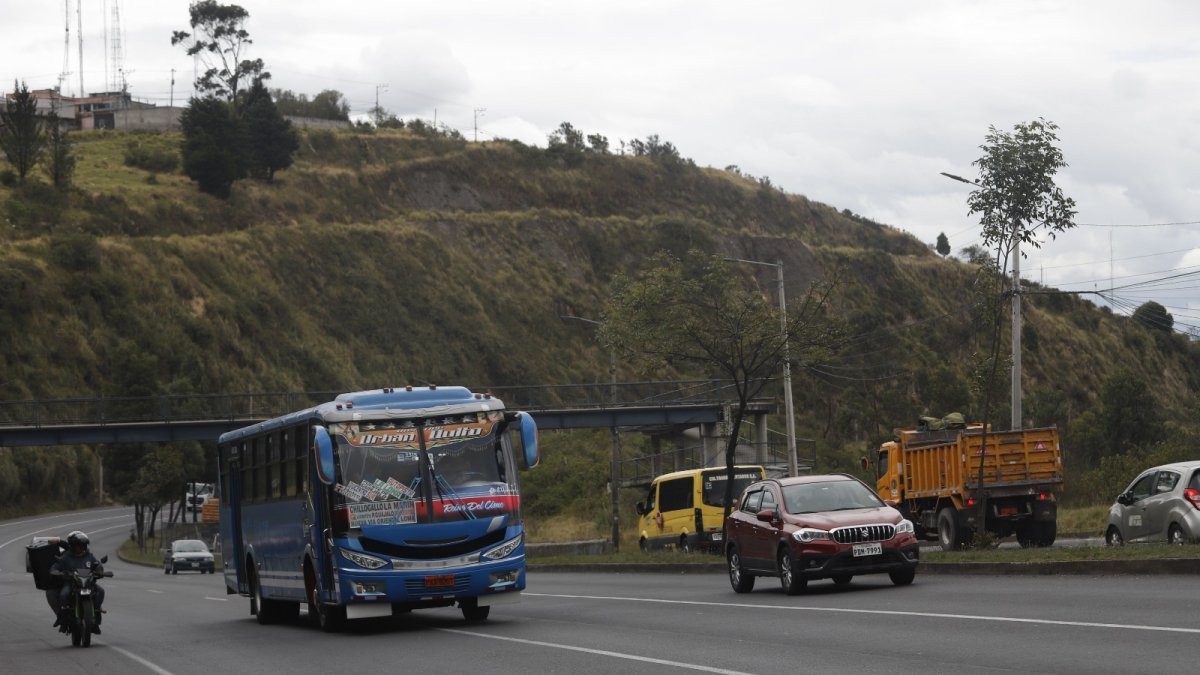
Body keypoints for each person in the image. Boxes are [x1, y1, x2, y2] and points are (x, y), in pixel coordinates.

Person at [50, 531, 105, 634]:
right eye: (77, 545)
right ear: (72, 546)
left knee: (101, 591)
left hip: (88, 583)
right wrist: (56, 572)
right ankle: (63, 621)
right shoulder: (66, 557)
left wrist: (100, 571)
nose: (80, 548)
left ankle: (96, 619)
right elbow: (56, 566)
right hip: (71, 584)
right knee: (63, 594)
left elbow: (97, 565)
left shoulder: (89, 556)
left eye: (82, 545)